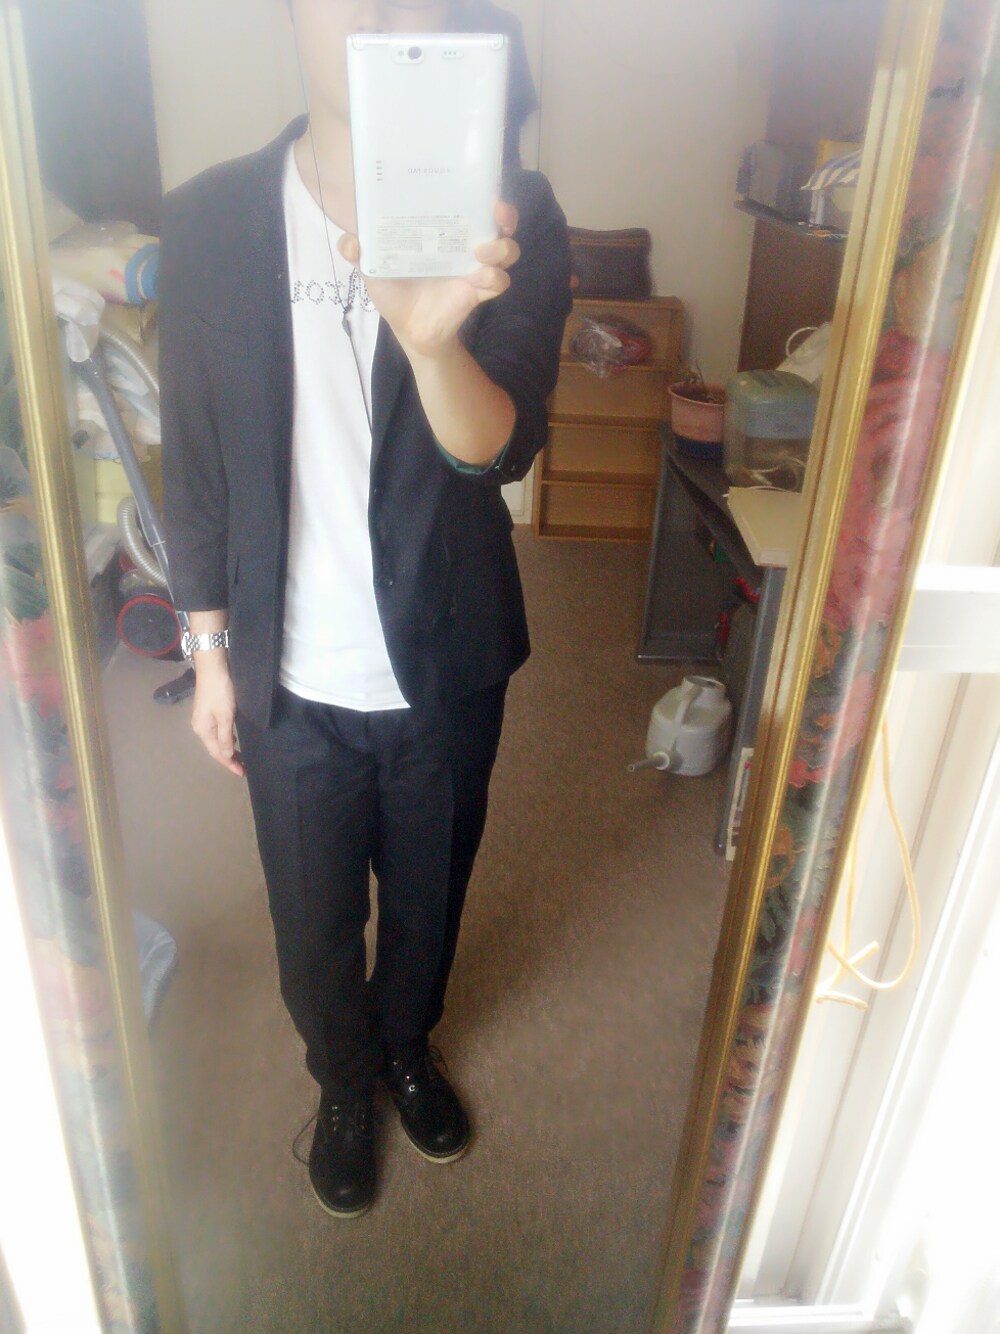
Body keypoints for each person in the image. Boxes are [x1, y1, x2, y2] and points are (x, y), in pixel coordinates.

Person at [158, 0, 571, 1220]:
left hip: (444, 652)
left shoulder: (510, 211)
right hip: (286, 670)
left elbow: (500, 450)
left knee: (430, 896)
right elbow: (195, 454)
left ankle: (406, 1045)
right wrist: (209, 648)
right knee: (311, 918)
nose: (379, 11)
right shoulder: (209, 217)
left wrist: (432, 342)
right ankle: (342, 1078)